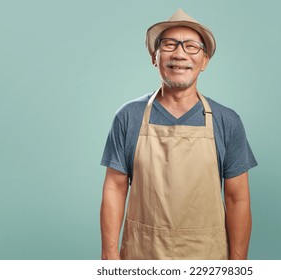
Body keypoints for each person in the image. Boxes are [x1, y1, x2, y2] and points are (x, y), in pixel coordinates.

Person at [100, 8, 257, 260]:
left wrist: (238, 265)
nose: (180, 54)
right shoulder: (129, 117)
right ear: (155, 57)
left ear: (204, 61)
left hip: (207, 258)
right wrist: (109, 254)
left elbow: (237, 198)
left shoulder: (227, 121)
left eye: (191, 46)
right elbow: (115, 188)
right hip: (143, 255)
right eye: (170, 45)